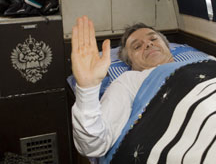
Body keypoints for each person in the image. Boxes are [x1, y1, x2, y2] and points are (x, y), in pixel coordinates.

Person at [71, 16, 174, 158]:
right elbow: (94, 145)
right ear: (131, 63)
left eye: (153, 39)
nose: (149, 44)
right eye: (137, 46)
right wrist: (87, 89)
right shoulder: (129, 81)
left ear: (167, 46)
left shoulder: (210, 61)